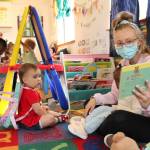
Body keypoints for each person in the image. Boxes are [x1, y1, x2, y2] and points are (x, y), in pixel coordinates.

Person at [68, 11, 150, 144]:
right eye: (119, 43)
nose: (124, 46)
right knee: (89, 102)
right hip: (126, 109)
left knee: (117, 118)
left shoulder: (148, 63)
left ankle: (105, 132)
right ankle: (109, 131)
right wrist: (95, 99)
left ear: (139, 42)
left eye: (129, 41)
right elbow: (114, 96)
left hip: (144, 118)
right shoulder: (123, 64)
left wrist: (147, 105)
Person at [16, 63, 67, 130]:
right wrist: (47, 114)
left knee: (46, 109)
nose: (39, 79)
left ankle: (58, 115)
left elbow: (32, 107)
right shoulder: (31, 93)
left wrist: (44, 109)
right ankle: (58, 119)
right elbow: (38, 110)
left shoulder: (25, 89)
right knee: (49, 118)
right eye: (35, 77)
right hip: (29, 122)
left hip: (25, 119)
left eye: (39, 76)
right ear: (25, 80)